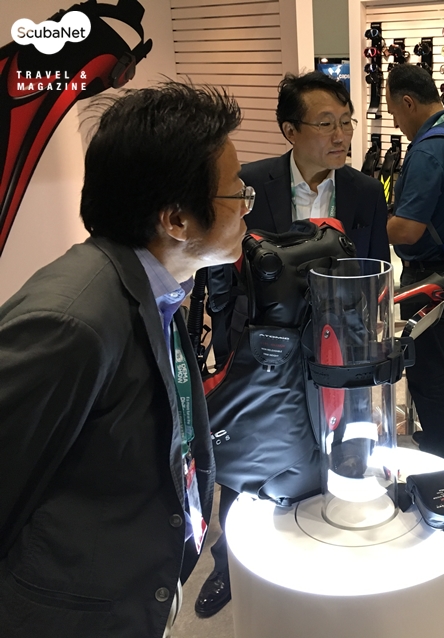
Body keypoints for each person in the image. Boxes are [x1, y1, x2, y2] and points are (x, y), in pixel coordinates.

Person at [0, 82, 246, 638]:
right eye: (237, 193)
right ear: (176, 221)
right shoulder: (72, 323)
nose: (246, 207)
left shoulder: (155, 285)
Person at [194, 71, 390, 619]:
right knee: (250, 446)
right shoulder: (249, 183)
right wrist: (226, 334)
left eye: (346, 123)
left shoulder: (363, 191)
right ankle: (229, 562)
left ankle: (326, 544)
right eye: (326, 124)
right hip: (260, 345)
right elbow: (220, 268)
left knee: (339, 440)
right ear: (290, 130)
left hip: (337, 347)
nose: (341, 135)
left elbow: (375, 269)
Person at [384, 64, 444, 463]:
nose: (396, 122)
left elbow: (406, 230)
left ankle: (441, 450)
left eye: (394, 112)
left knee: (426, 364)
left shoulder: (427, 150)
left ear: (408, 102)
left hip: (429, 274)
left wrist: (369, 225)